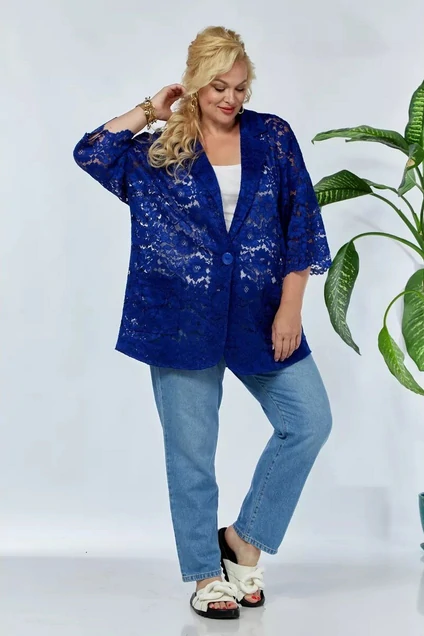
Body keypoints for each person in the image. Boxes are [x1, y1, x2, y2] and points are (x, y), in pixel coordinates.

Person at [73, 25, 333, 621]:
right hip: (180, 318)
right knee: (192, 453)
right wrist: (149, 110)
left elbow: (300, 221)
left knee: (309, 421)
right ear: (193, 84)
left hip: (262, 313)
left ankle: (243, 541)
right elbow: (91, 153)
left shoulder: (272, 137)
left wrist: (291, 306)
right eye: (218, 86)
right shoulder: (161, 151)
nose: (231, 98)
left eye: (240, 87)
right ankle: (204, 575)